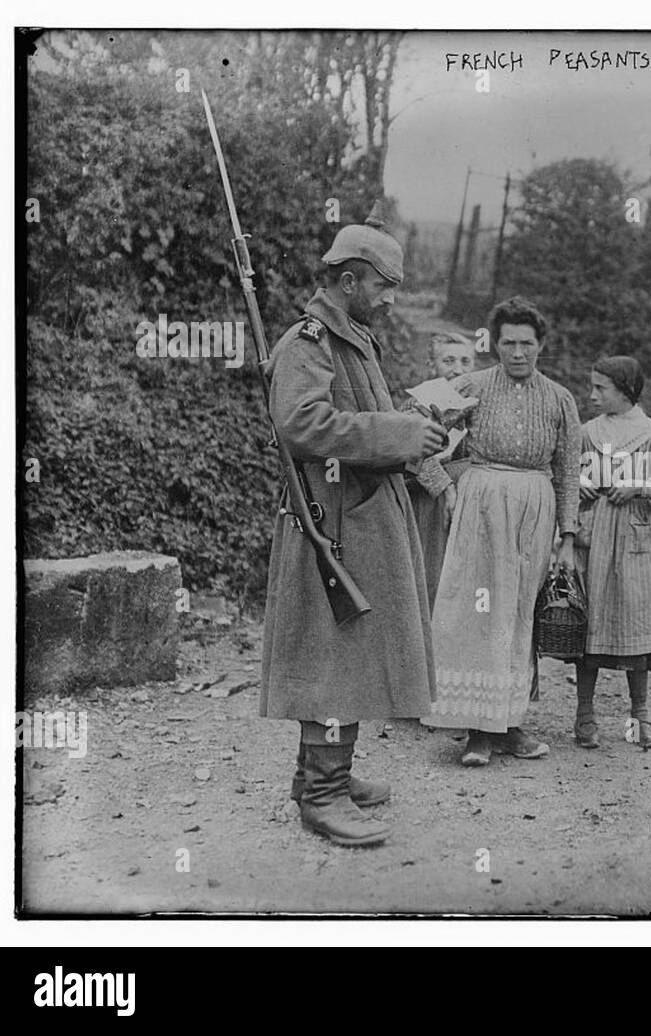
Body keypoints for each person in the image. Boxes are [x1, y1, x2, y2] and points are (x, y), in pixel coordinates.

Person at [261, 214, 446, 846]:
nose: (392, 300)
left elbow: (353, 417)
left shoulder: (352, 337)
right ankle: (322, 795)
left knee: (351, 656)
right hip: (330, 525)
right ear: (348, 280)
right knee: (334, 661)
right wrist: (396, 434)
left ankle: (322, 774)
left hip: (359, 515)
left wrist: (412, 427)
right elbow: (301, 424)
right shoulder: (309, 343)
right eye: (385, 287)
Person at [421, 297, 581, 766]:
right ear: (494, 343)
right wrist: (442, 488)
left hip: (535, 509)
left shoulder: (559, 399)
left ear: (541, 345)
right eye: (508, 343)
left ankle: (510, 724)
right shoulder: (471, 385)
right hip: (479, 506)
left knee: (518, 615)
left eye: (526, 344)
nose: (516, 353)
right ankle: (477, 730)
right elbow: (418, 430)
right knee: (476, 610)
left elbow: (568, 471)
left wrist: (567, 538)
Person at [572, 356, 651, 750]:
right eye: (591, 387)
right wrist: (579, 484)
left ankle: (640, 713)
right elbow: (562, 475)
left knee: (635, 622)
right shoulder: (588, 433)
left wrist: (641, 487)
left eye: (600, 388)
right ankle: (585, 713)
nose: (592, 395)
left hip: (636, 540)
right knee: (589, 623)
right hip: (593, 536)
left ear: (625, 391)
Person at [407, 332, 476, 606]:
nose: (457, 369)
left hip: (468, 501)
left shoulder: (476, 401)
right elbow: (412, 454)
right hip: (428, 502)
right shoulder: (419, 402)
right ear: (431, 365)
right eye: (448, 361)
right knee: (430, 576)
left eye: (465, 361)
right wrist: (445, 487)